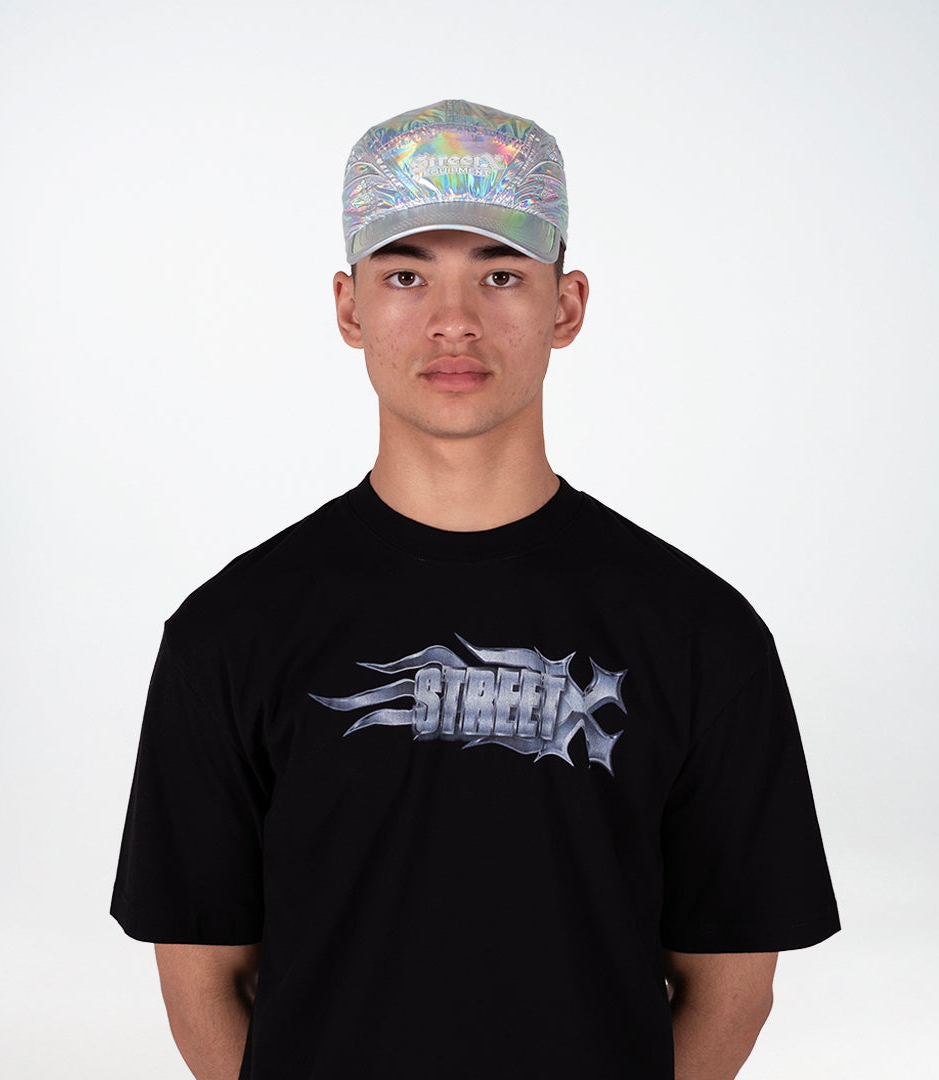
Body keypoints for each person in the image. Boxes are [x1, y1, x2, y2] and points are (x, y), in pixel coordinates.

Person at [112, 99, 839, 1080]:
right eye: (406, 275)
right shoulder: (230, 631)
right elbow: (200, 976)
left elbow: (732, 982)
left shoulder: (702, 632)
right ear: (349, 308)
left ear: (565, 306)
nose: (454, 321)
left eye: (500, 274)